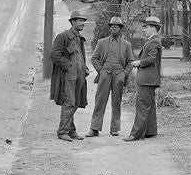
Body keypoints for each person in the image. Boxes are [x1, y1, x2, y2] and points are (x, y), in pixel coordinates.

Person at [87, 16, 134, 137]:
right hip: (105, 75)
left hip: (119, 75)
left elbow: (130, 62)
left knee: (116, 102)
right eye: (112, 26)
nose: (114, 28)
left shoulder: (126, 45)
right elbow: (94, 58)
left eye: (117, 26)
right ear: (110, 28)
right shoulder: (102, 42)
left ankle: (114, 128)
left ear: (120, 28)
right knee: (100, 101)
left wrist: (124, 74)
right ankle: (94, 128)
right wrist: (101, 71)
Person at [50, 12, 89, 141]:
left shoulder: (80, 38)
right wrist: (68, 66)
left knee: (76, 102)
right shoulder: (63, 36)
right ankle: (62, 132)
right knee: (69, 102)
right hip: (68, 76)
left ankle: (71, 130)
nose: (83, 23)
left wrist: (85, 68)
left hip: (80, 75)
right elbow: (55, 55)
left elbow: (81, 57)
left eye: (83, 21)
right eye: (80, 21)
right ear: (72, 22)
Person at [125, 16, 163, 142]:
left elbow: (151, 59)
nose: (144, 30)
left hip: (147, 80)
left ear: (153, 28)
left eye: (146, 27)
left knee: (142, 105)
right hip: (150, 79)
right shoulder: (153, 41)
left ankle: (136, 134)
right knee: (149, 105)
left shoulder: (154, 42)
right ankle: (151, 132)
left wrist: (139, 63)